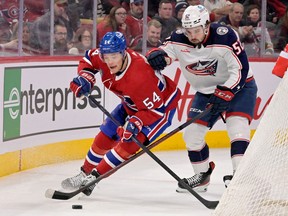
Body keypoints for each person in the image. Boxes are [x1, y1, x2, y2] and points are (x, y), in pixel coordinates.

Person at [146, 4, 257, 192]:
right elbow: (165, 52)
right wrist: (157, 56)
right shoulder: (179, 38)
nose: (192, 35)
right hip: (206, 92)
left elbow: (240, 69)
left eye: (196, 30)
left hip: (240, 87)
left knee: (237, 126)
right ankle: (202, 176)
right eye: (188, 31)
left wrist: (226, 91)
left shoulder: (225, 36)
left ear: (207, 25)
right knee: (191, 134)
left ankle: (240, 175)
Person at [61, 31, 181, 196]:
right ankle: (84, 173)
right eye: (106, 57)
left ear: (123, 53)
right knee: (106, 134)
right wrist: (85, 77)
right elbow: (88, 60)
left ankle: (94, 178)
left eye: (114, 57)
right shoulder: (103, 57)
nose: (109, 62)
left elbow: (155, 110)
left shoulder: (140, 75)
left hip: (161, 108)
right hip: (131, 103)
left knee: (129, 142)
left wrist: (135, 122)